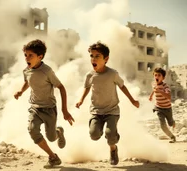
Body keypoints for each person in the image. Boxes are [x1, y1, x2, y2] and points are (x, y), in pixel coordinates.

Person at [75, 41, 139, 165]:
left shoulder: (112, 74)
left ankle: (113, 149)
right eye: (91, 56)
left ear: (106, 59)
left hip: (112, 111)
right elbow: (87, 87)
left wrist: (132, 100)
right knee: (94, 135)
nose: (93, 59)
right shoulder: (90, 75)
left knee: (110, 136)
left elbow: (122, 86)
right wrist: (81, 100)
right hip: (96, 111)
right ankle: (111, 135)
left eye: (97, 56)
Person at [14, 39, 75, 167]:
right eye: (25, 55)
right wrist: (20, 91)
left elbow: (61, 87)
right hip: (35, 108)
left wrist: (64, 110)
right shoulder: (26, 70)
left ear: (40, 57)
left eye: (30, 55)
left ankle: (59, 132)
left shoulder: (47, 71)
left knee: (51, 138)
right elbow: (28, 82)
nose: (27, 58)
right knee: (32, 130)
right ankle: (53, 157)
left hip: (49, 109)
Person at [149, 67, 176, 143]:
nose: (156, 77)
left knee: (170, 124)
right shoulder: (154, 84)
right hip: (159, 108)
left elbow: (169, 96)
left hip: (167, 108)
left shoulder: (165, 86)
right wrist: (151, 96)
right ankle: (172, 136)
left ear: (163, 78)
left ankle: (173, 122)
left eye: (159, 75)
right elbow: (154, 89)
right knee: (162, 125)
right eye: (155, 75)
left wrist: (160, 91)